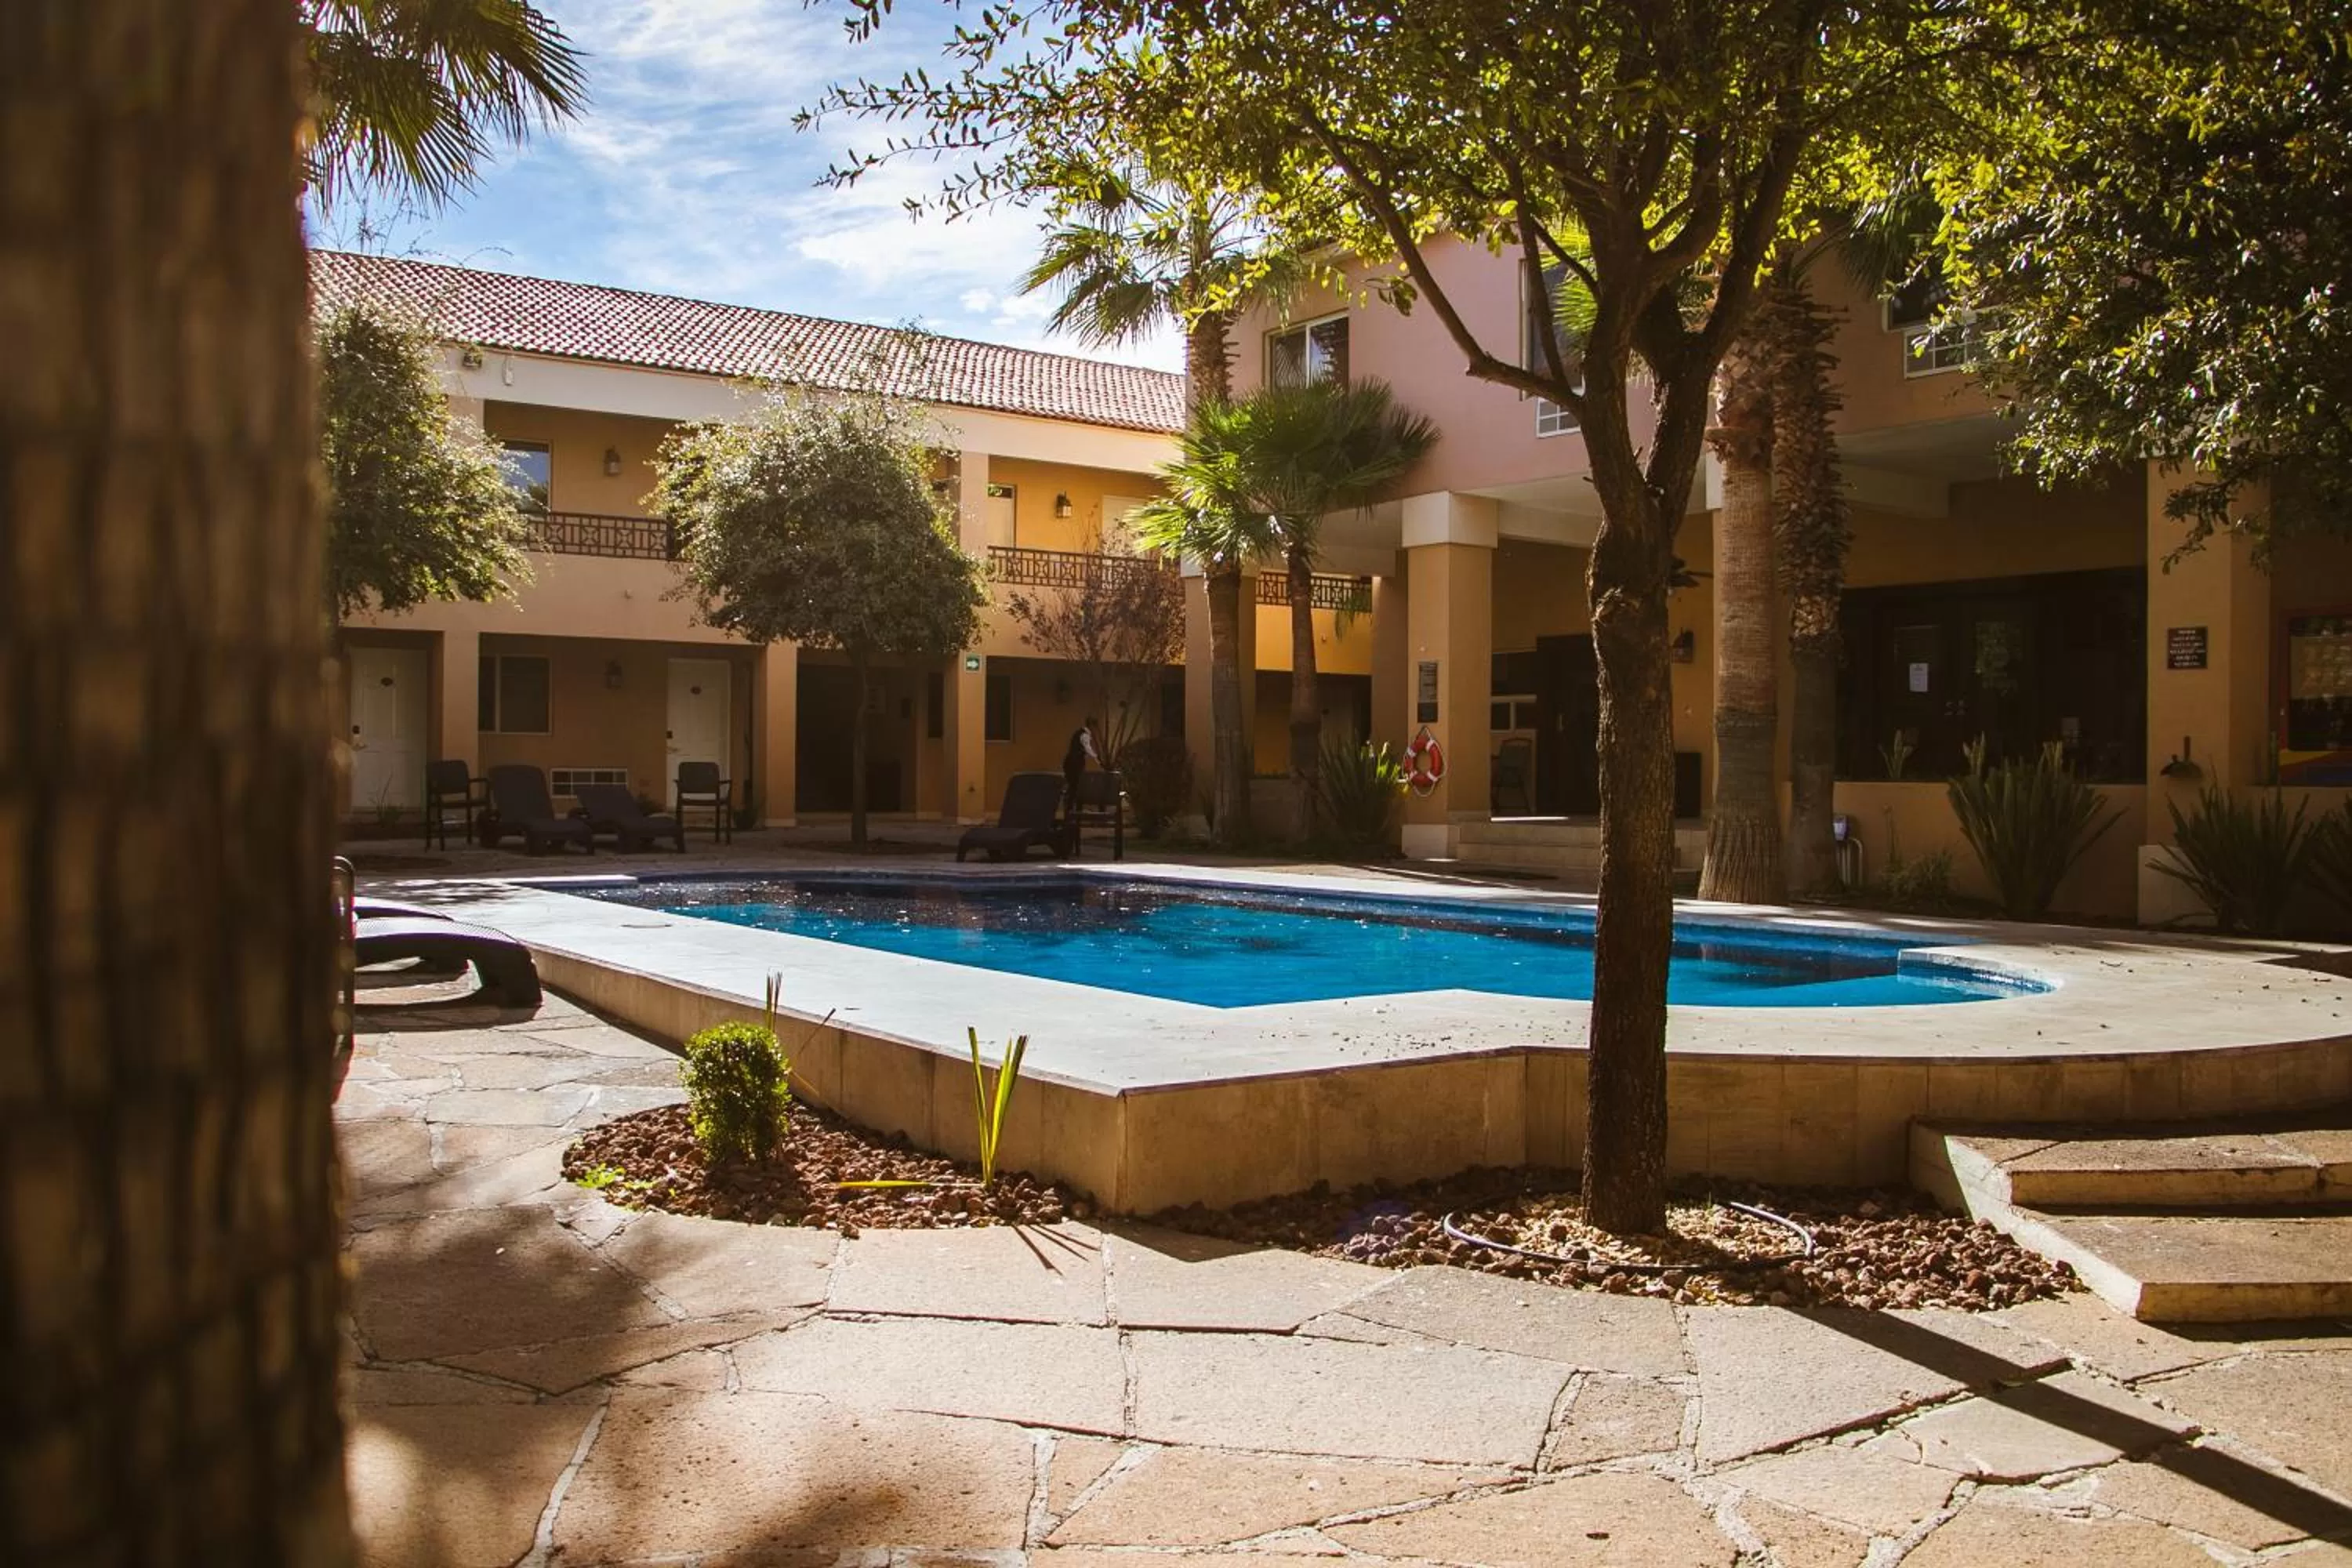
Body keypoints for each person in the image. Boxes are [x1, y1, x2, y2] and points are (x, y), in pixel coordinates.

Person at [1062, 716, 1100, 823]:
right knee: (1075, 786)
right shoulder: (1085, 735)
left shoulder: (1081, 733)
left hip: (1071, 763)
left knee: (1074, 786)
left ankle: (1071, 811)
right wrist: (1097, 757)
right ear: (1092, 726)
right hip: (1074, 764)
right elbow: (1087, 748)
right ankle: (1071, 811)